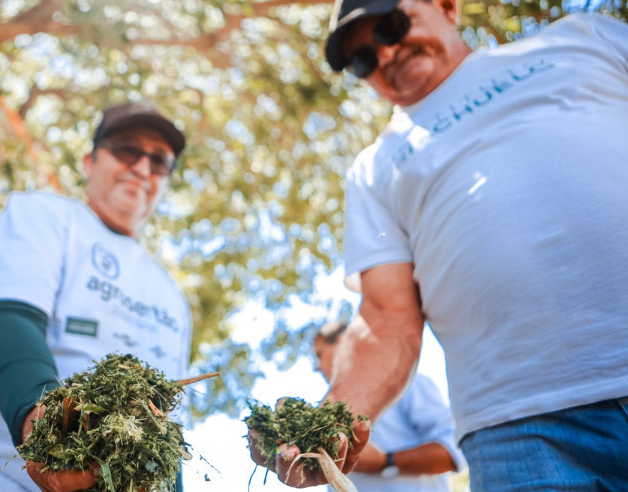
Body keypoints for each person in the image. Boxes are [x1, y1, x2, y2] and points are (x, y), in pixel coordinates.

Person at [250, 0, 628, 489]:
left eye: (391, 25)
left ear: (447, 6)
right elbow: (386, 320)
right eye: (362, 58)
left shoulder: (583, 40)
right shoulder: (375, 169)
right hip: (519, 433)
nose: (384, 54)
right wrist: (329, 426)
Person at [0, 101, 193, 492]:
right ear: (89, 161)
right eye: (126, 150)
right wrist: (47, 434)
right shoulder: (43, 215)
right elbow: (10, 317)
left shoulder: (173, 299)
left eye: (159, 162)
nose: (142, 167)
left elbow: (166, 426)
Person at [314, 321, 465, 492]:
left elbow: (452, 452)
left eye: (319, 354)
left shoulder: (409, 385)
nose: (317, 366)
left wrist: (384, 462)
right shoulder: (328, 415)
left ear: (342, 343)